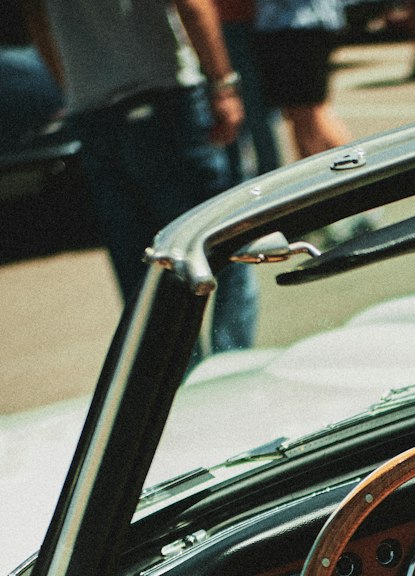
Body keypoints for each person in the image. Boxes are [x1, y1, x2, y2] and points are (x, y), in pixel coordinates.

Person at [22, 0, 257, 354]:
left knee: (145, 270)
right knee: (222, 242)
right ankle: (229, 365)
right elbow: (193, 6)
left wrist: (75, 90)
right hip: (165, 98)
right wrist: (222, 82)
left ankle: (173, 380)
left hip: (94, 110)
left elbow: (38, 23)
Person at [251, 0, 352, 159]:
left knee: (308, 114)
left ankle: (356, 174)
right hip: (300, 24)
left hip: (293, 26)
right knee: (303, 113)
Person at [214, 0, 283, 175]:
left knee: (253, 110)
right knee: (252, 112)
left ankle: (266, 175)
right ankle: (263, 172)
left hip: (235, 23)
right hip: (238, 23)